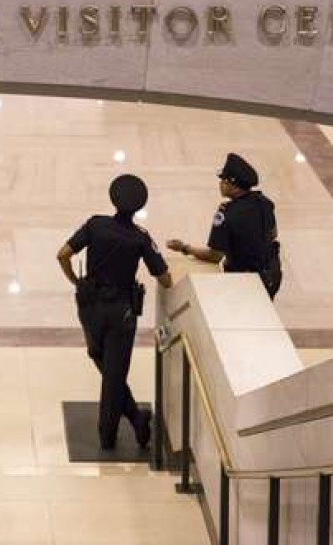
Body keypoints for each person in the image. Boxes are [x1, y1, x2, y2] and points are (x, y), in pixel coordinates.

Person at [57, 174, 172, 450]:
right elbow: (165, 277)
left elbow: (62, 254)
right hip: (122, 312)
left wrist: (76, 281)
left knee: (98, 357)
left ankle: (132, 417)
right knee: (114, 373)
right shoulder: (140, 238)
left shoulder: (96, 225)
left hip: (90, 306)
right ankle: (115, 430)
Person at [165, 153, 282, 299]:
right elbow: (273, 233)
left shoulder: (227, 214)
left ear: (235, 187)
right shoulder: (264, 201)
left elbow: (215, 256)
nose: (221, 184)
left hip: (246, 282)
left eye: (224, 181)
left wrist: (184, 248)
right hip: (272, 274)